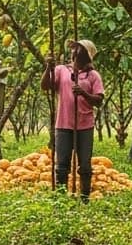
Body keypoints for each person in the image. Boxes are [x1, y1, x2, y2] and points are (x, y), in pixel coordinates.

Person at [42, 39, 105, 201]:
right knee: (62, 164)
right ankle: (61, 197)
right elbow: (45, 86)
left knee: (84, 164)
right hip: (63, 124)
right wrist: (48, 68)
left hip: (85, 125)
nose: (75, 52)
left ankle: (84, 197)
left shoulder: (93, 75)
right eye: (75, 49)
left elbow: (98, 100)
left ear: (87, 56)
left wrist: (83, 93)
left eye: (80, 50)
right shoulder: (61, 70)